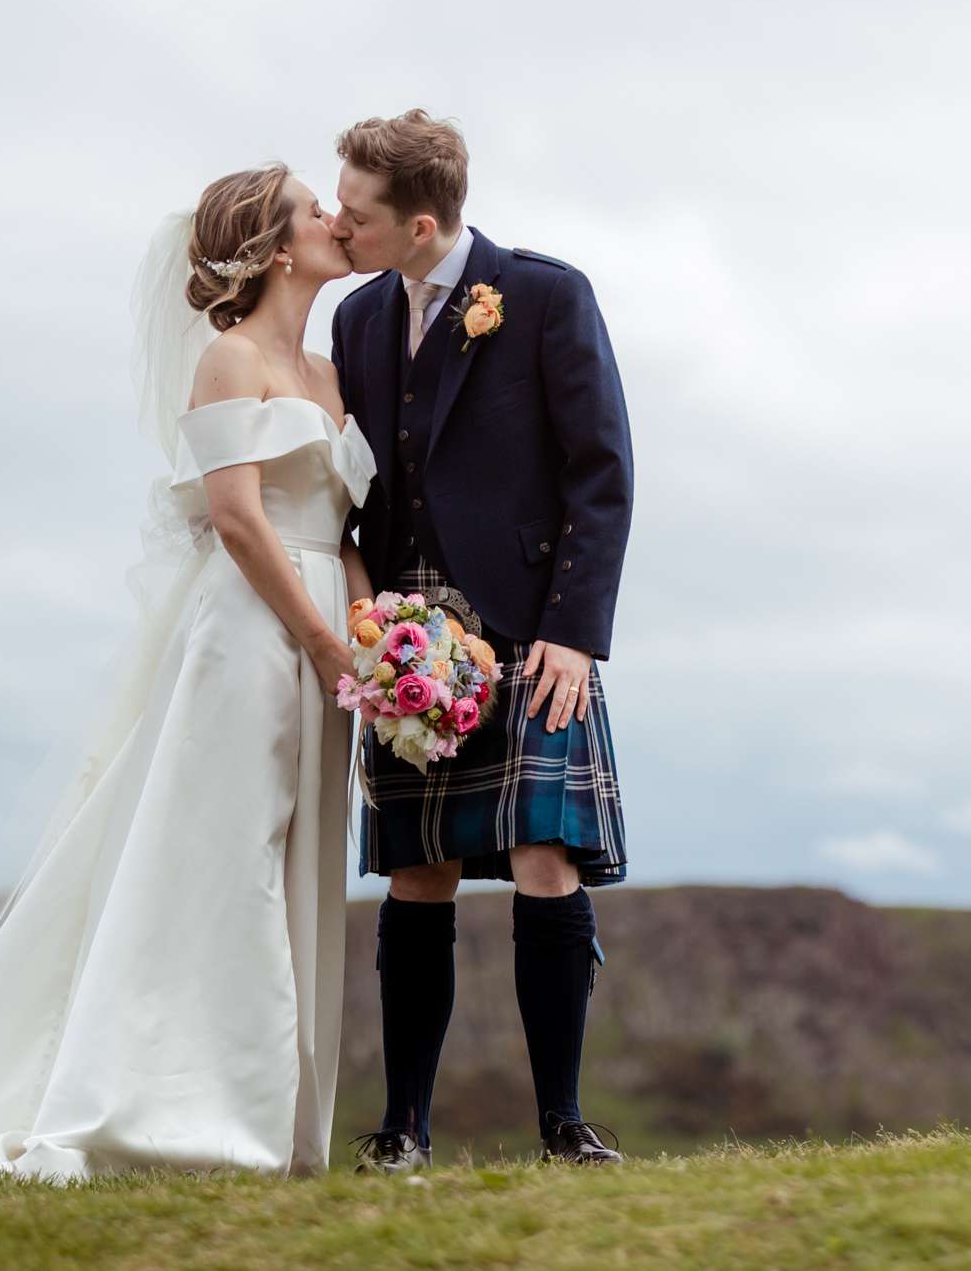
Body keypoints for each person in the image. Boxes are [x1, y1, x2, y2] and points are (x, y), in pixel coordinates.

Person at [0, 163, 376, 1186]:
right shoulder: (228, 361)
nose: (333, 220)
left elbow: (341, 521)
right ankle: (192, 1105)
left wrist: (366, 628)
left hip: (327, 636)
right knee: (225, 858)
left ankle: (280, 1118)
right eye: (315, 209)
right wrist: (313, 637)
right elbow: (234, 516)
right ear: (276, 249)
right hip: (253, 633)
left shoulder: (326, 375)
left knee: (297, 862)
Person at [330, 110, 636, 1169]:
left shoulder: (547, 295)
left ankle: (562, 1124)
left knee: (544, 855)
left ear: (420, 224)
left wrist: (574, 633)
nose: (338, 223)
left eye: (356, 211)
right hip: (404, 627)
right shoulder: (356, 320)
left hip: (526, 627)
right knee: (417, 868)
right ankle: (401, 1128)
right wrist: (369, 623)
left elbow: (600, 471)